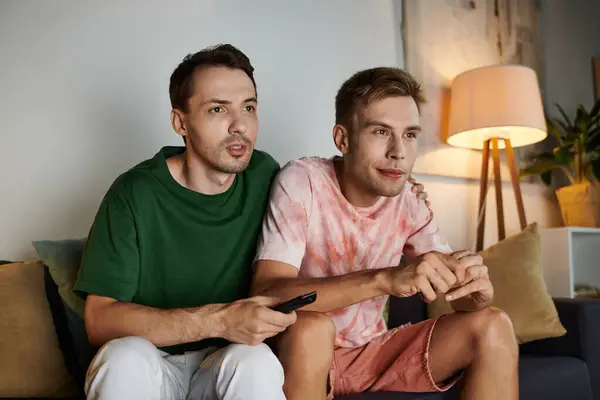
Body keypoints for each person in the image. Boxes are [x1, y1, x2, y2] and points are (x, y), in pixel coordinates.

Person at [251, 67, 519, 400]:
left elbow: (453, 293)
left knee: (493, 324)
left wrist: (475, 294)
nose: (399, 151)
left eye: (409, 134)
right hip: (302, 351)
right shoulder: (302, 180)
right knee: (311, 328)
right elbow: (268, 293)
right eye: (381, 132)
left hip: (372, 352)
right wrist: (385, 279)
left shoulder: (410, 200)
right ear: (343, 138)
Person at [73, 44, 299, 400]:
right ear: (180, 122)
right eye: (217, 109)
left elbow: (330, 192)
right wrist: (220, 320)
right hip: (152, 367)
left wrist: (394, 190)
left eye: (249, 107)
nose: (239, 125)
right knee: (122, 357)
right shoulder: (134, 192)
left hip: (224, 366)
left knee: (254, 361)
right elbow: (100, 320)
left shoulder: (265, 174)